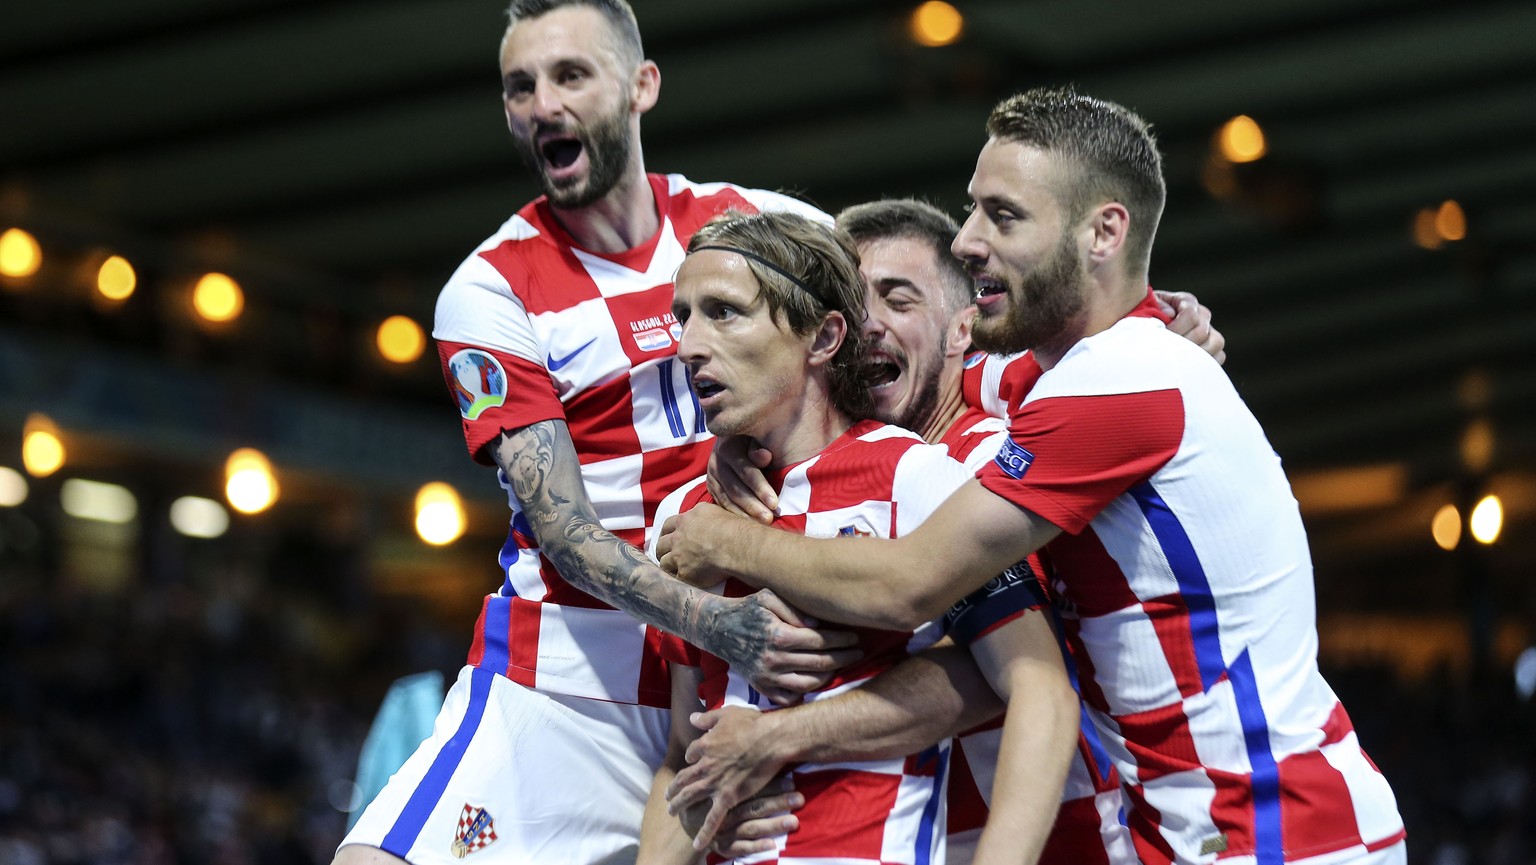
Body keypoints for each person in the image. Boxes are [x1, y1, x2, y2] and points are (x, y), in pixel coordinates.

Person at [660, 86, 1407, 865]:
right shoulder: (1053, 376)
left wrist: (725, 538)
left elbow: (908, 583)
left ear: (1103, 232)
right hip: (1188, 827)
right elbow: (940, 383)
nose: (971, 241)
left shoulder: (1122, 382)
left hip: (1274, 828)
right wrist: (754, 432)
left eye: (1003, 216)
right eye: (973, 210)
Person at [335, 2, 857, 863]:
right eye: (520, 86)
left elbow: (915, 306)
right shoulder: (490, 286)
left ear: (641, 86)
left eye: (570, 75)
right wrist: (718, 621)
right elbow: (566, 532)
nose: (543, 103)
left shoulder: (758, 224)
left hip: (738, 687)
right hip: (563, 686)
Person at [637, 209, 1079, 865]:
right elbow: (683, 755)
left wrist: (774, 734)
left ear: (822, 337)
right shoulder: (685, 514)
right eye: (684, 316)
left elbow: (1035, 685)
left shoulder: (927, 475)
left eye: (725, 312)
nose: (687, 344)